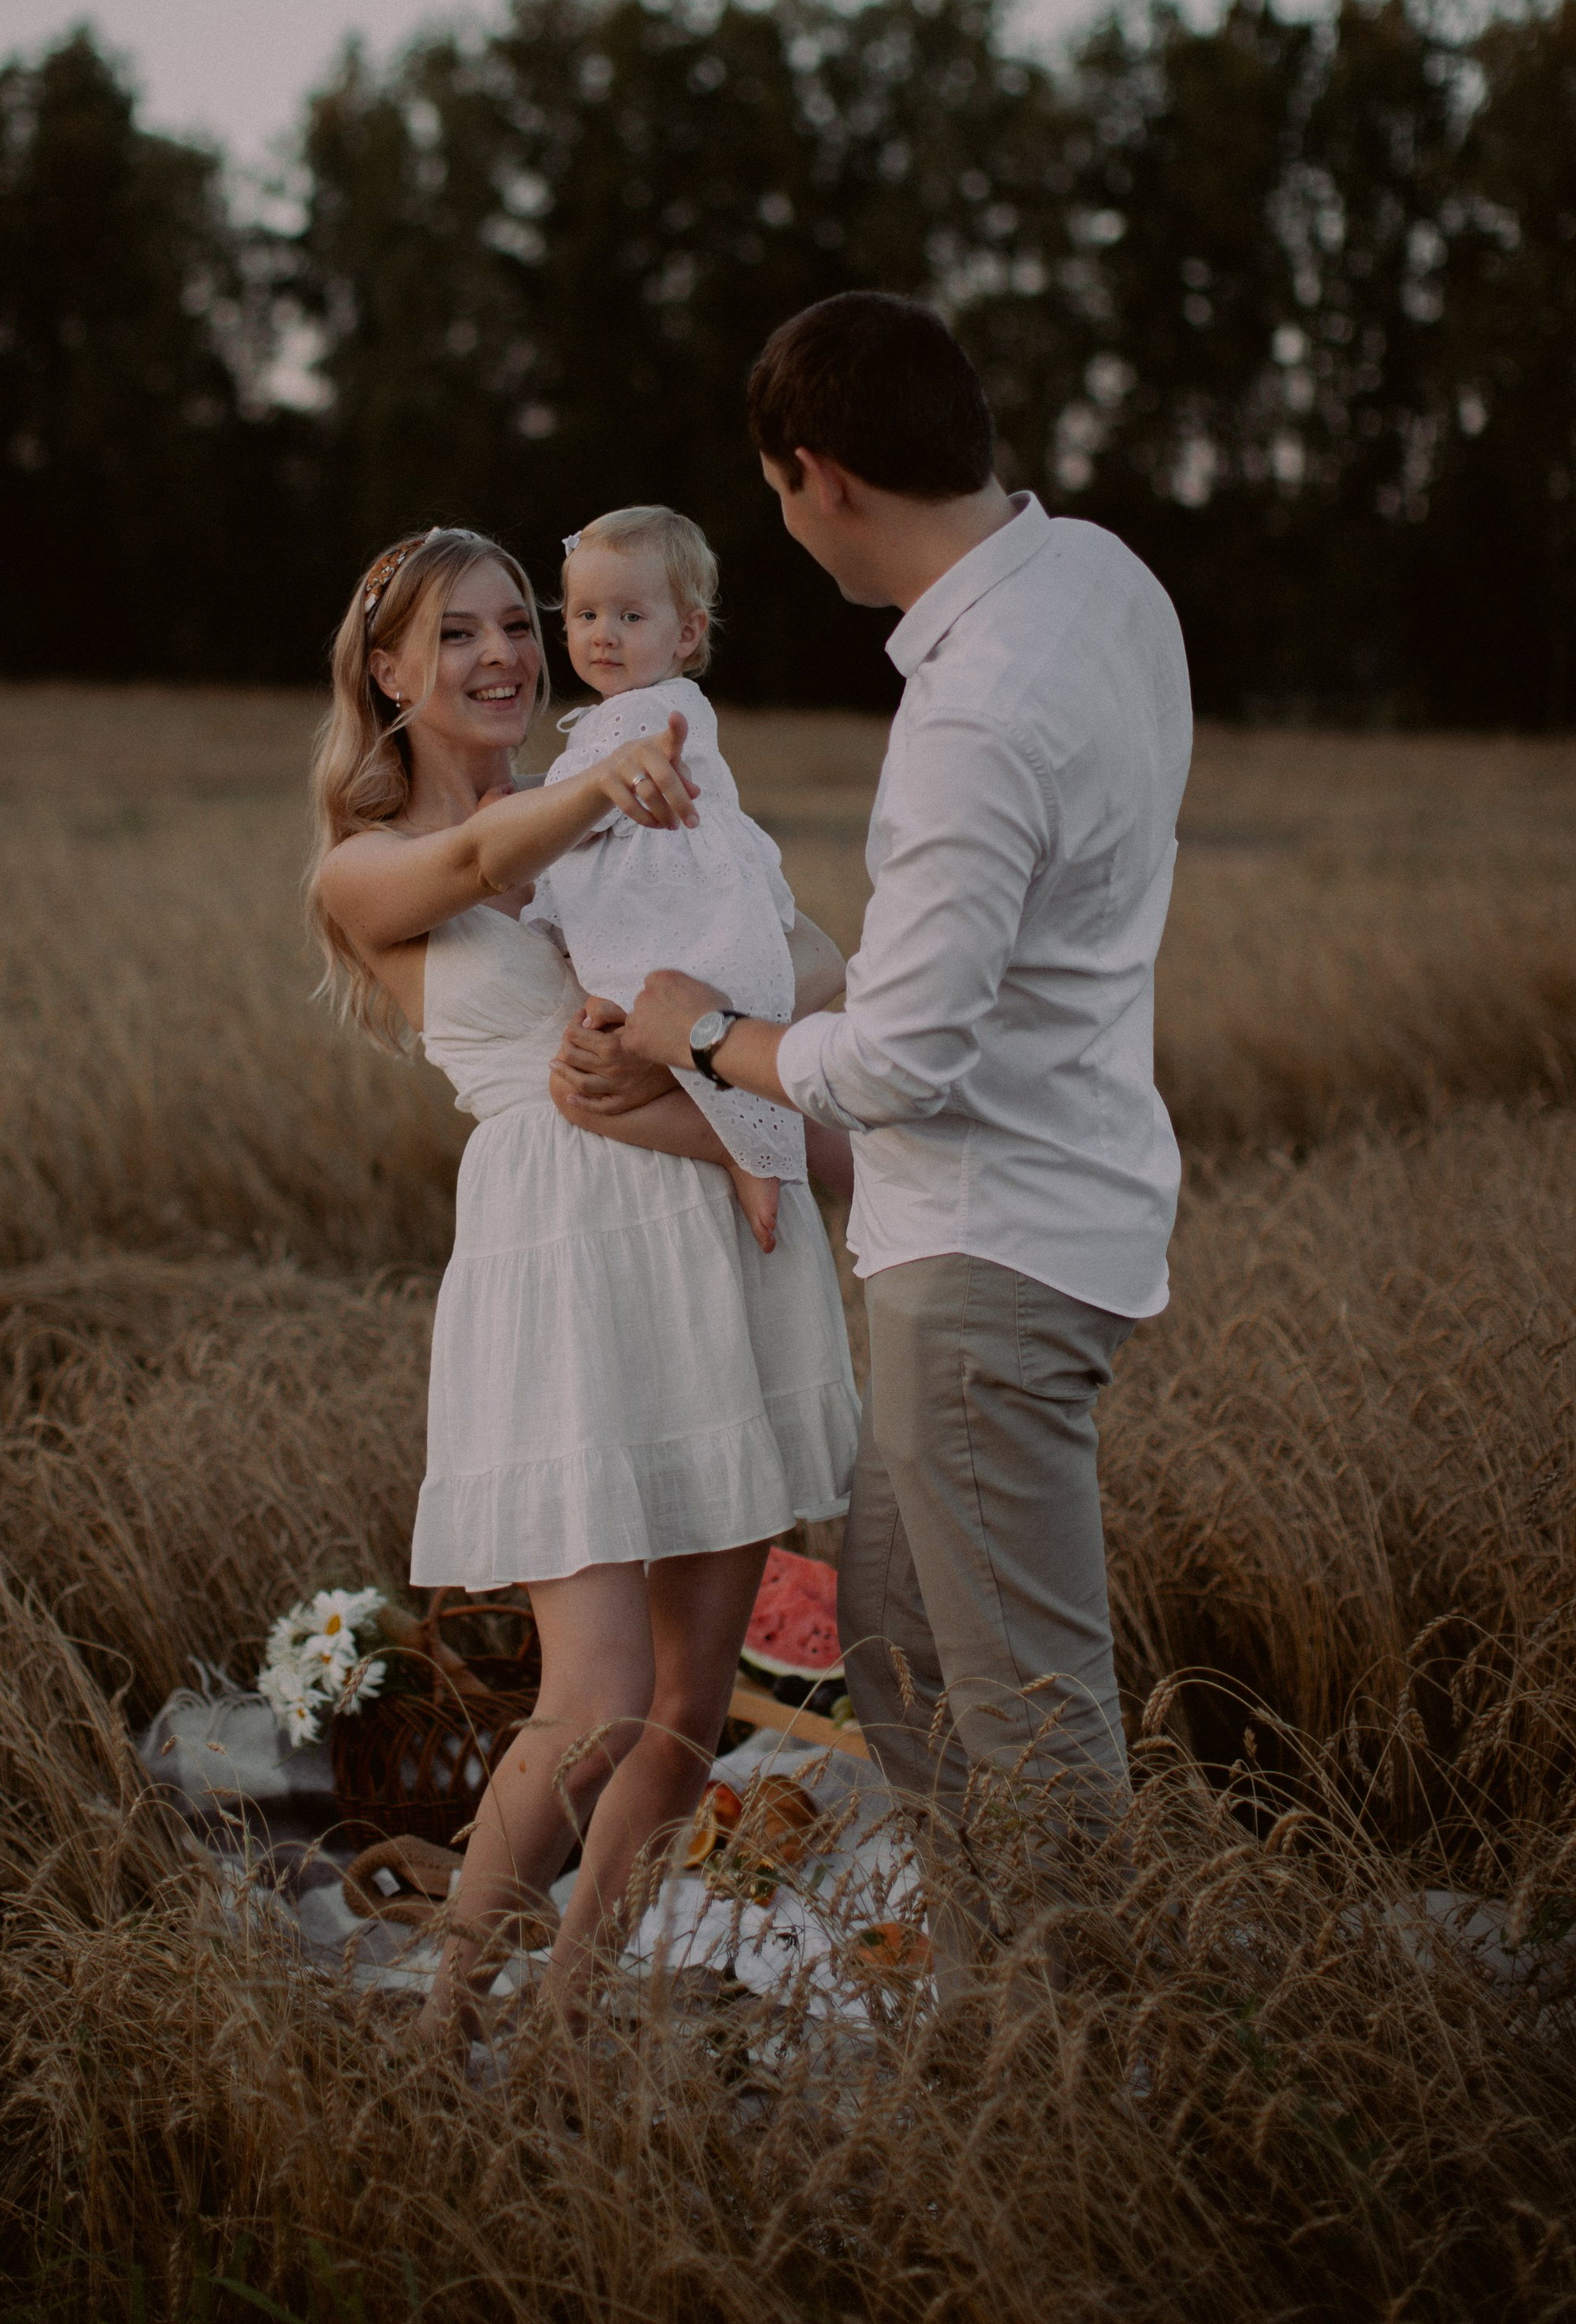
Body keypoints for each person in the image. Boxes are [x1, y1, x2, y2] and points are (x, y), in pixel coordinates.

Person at [608, 292, 1193, 1983]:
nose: (781, 527)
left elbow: (908, 1064)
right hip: (1051, 1190)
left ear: (820, 477)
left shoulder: (969, 712)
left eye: (776, 495)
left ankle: (1080, 2062)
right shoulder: (1099, 579)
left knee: (1020, 1708)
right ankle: (990, 1983)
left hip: (985, 1245)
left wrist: (698, 1033)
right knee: (897, 1642)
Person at [307, 524, 859, 2046]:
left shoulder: (641, 815)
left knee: (690, 1706)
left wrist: (712, 989)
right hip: (562, 1270)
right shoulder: (373, 867)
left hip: (713, 1244)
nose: (503, 656)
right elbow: (486, 860)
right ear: (390, 672)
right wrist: (602, 791)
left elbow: (802, 958)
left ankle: (563, 2008)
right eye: (460, 635)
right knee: (595, 1691)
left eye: (516, 626)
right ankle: (448, 2015)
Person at [527, 504, 854, 1253]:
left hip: (668, 917)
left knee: (583, 1093)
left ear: (687, 634)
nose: (602, 632)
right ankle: (752, 1143)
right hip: (679, 909)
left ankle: (745, 1150)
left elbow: (583, 813)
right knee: (622, 1067)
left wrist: (516, 812)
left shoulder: (644, 715)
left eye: (630, 614)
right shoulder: (637, 711)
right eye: (585, 613)